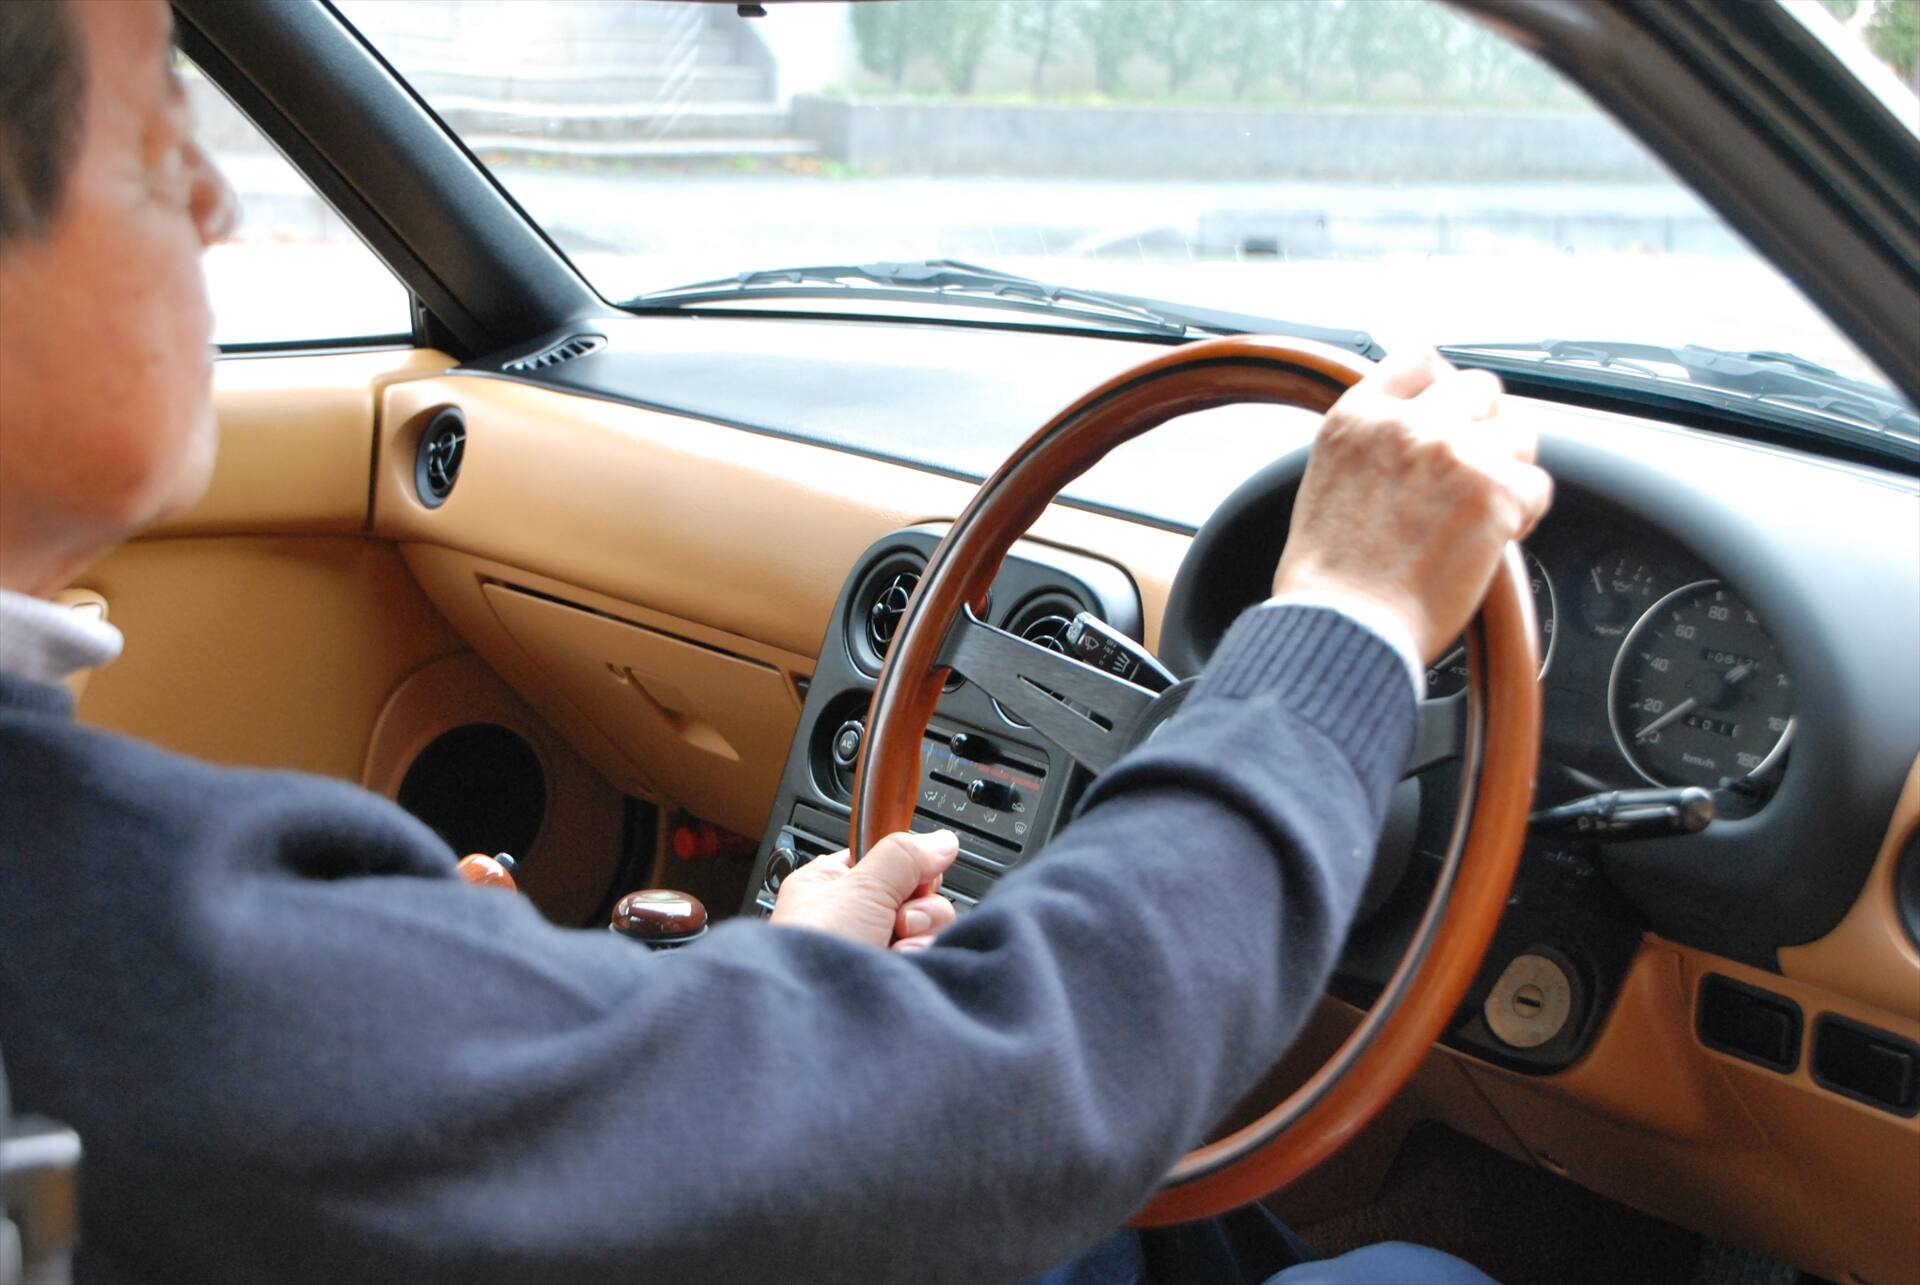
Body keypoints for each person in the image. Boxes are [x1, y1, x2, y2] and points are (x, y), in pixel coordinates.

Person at [0, 3, 1550, 1283]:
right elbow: (1024, 1086)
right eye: (156, 145)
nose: (215, 204)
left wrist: (732, 997)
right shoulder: (125, 942)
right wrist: (1343, 623)